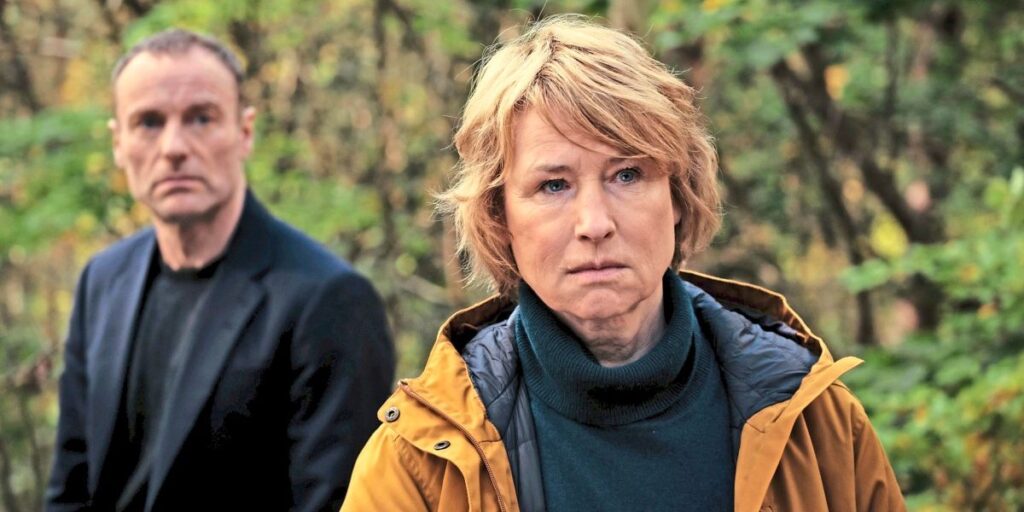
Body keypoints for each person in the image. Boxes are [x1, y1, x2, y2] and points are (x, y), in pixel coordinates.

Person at [342, 15, 904, 512]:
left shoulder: (814, 423)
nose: (594, 223)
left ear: (678, 196)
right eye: (554, 185)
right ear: (499, 216)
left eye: (627, 175)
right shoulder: (423, 460)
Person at [45, 29, 394, 512]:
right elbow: (70, 487)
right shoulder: (103, 280)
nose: (174, 147)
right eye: (148, 122)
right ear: (118, 143)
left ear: (244, 132)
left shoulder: (328, 299)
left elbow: (334, 503)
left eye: (201, 118)